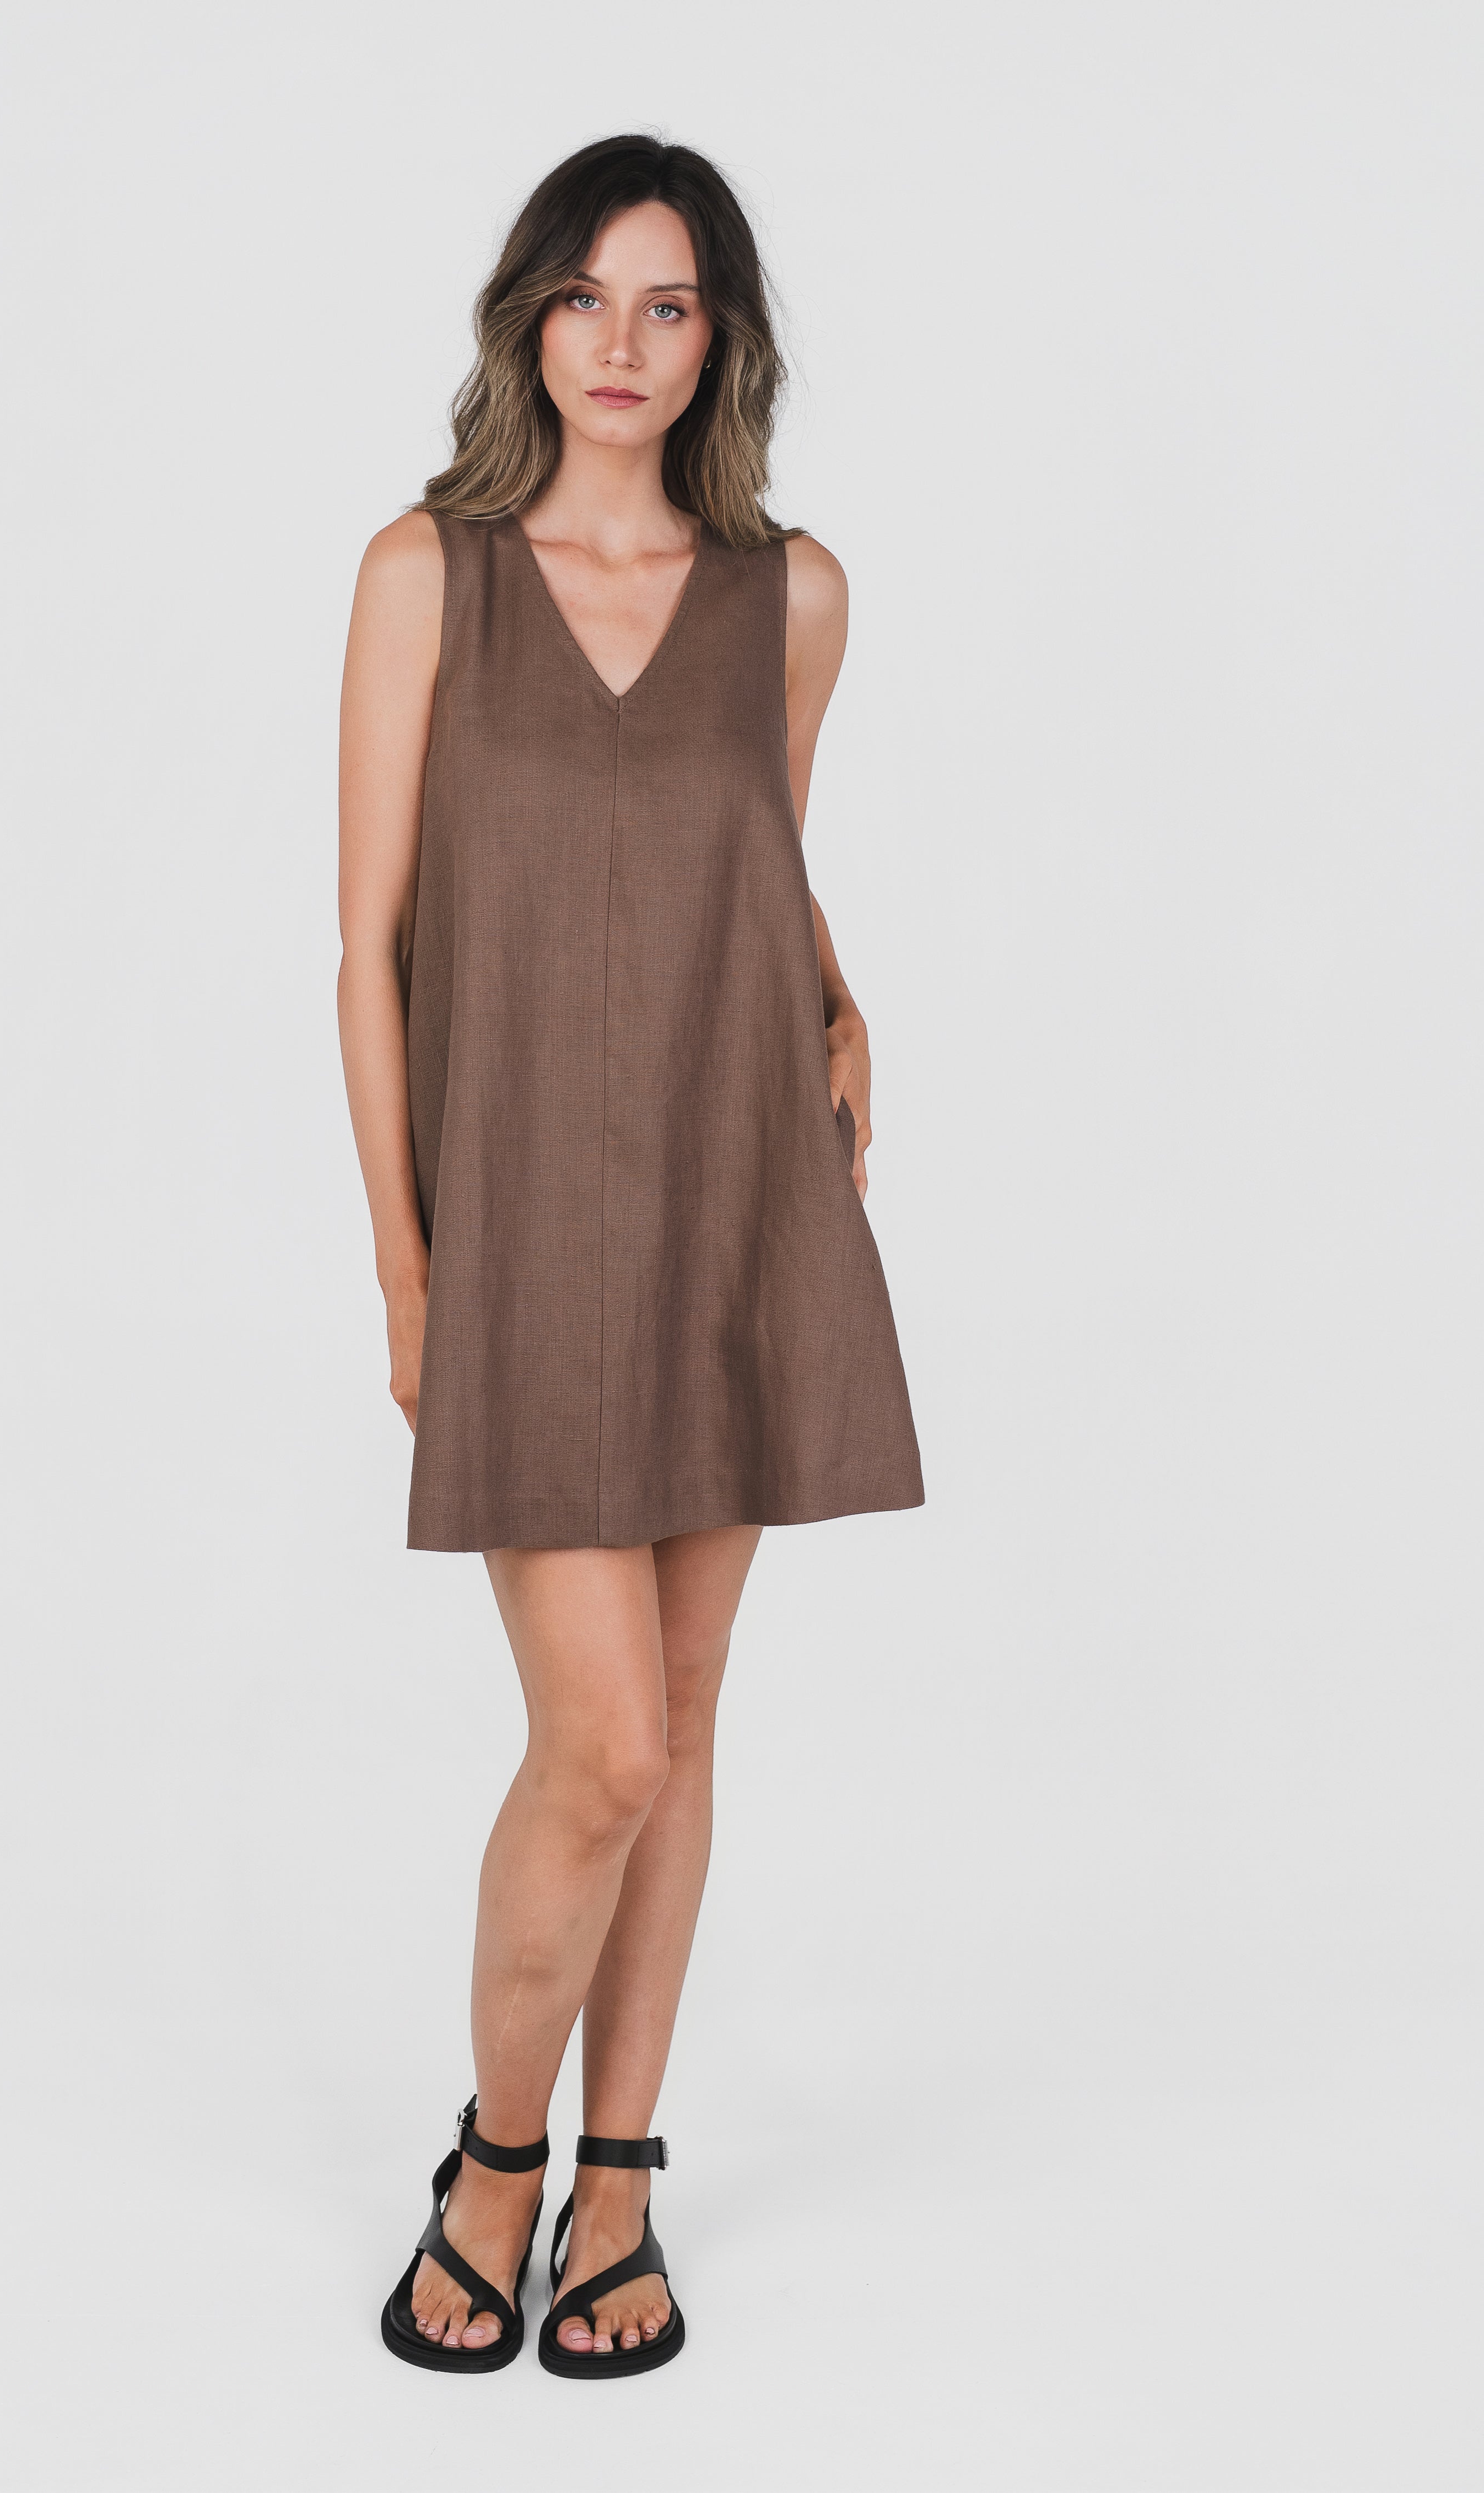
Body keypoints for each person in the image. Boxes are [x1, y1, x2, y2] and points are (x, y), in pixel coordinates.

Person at [336, 132, 923, 2378]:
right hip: (512, 1222)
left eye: (668, 306)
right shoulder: (426, 575)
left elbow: (751, 858)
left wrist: (846, 996)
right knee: (596, 1744)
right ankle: (494, 2160)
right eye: (586, 296)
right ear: (529, 316)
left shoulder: (797, 597)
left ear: (718, 343)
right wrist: (409, 1274)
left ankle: (619, 2183)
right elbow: (370, 951)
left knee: (674, 1725)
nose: (620, 343)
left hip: (732, 1188)